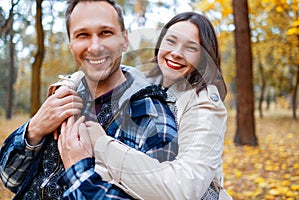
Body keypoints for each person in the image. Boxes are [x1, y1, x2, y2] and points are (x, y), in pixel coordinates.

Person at [0, 0, 178, 199]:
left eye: (106, 33)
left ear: (125, 40)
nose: (95, 47)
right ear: (70, 43)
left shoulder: (151, 116)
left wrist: (80, 172)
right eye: (82, 35)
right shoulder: (63, 97)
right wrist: (34, 129)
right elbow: (10, 178)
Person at [57, 12, 232, 199]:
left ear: (204, 57)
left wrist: (102, 144)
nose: (176, 53)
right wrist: (64, 87)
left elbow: (184, 189)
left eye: (191, 48)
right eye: (171, 41)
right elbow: (103, 71)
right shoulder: (147, 80)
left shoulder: (204, 105)